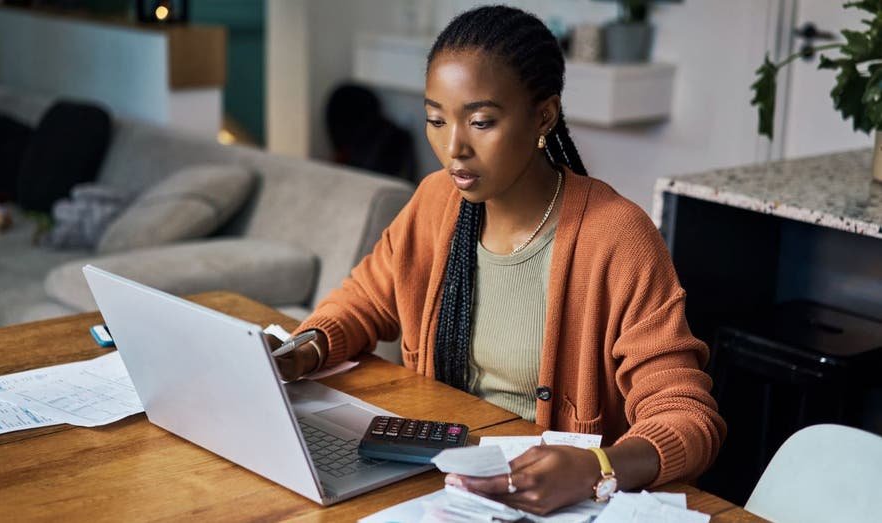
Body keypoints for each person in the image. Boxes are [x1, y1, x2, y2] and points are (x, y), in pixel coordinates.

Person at [272, 5, 726, 515]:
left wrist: (601, 466)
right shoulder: (436, 201)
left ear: (544, 116)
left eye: (481, 121)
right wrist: (302, 350)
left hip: (555, 500)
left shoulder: (618, 237)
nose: (453, 148)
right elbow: (363, 300)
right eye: (435, 120)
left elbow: (688, 417)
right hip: (442, 482)